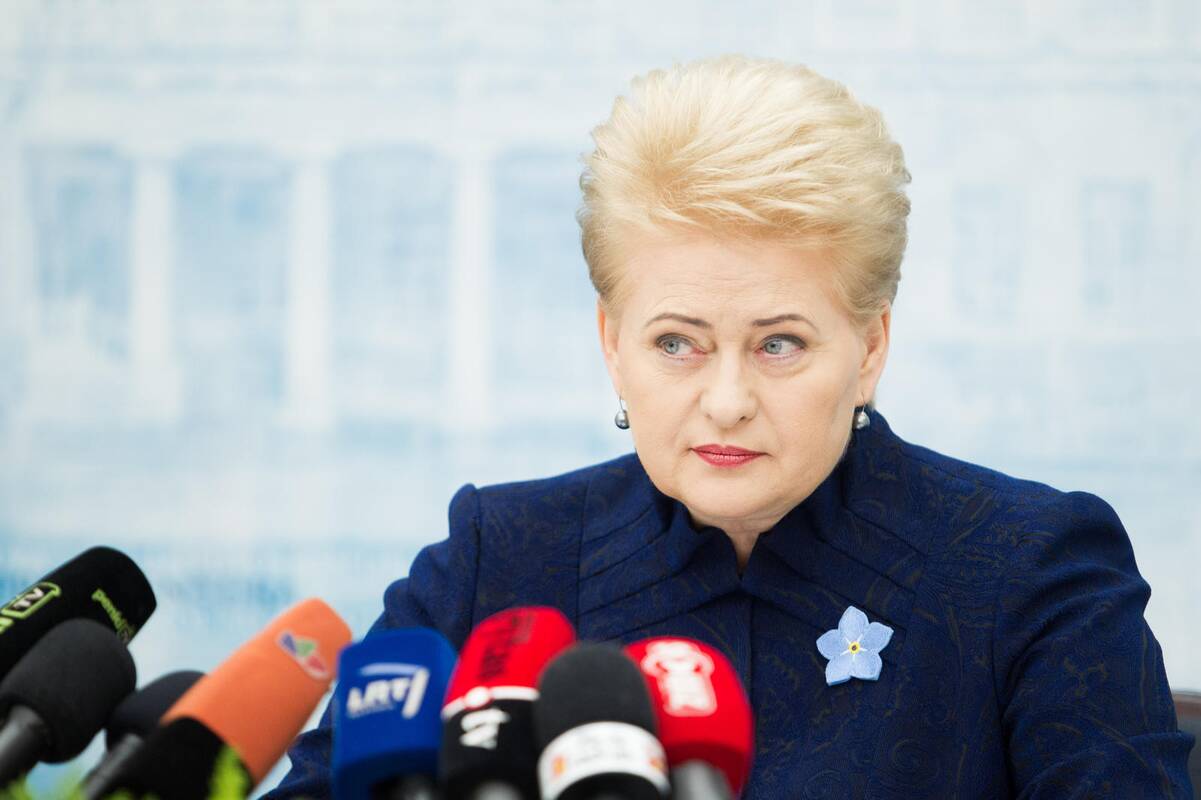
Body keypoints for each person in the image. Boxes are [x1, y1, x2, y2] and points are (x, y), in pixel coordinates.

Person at [267, 55, 1194, 798]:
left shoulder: (1028, 570)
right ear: (612, 343)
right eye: (677, 343)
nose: (725, 400)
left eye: (778, 344)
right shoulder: (495, 560)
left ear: (869, 346)